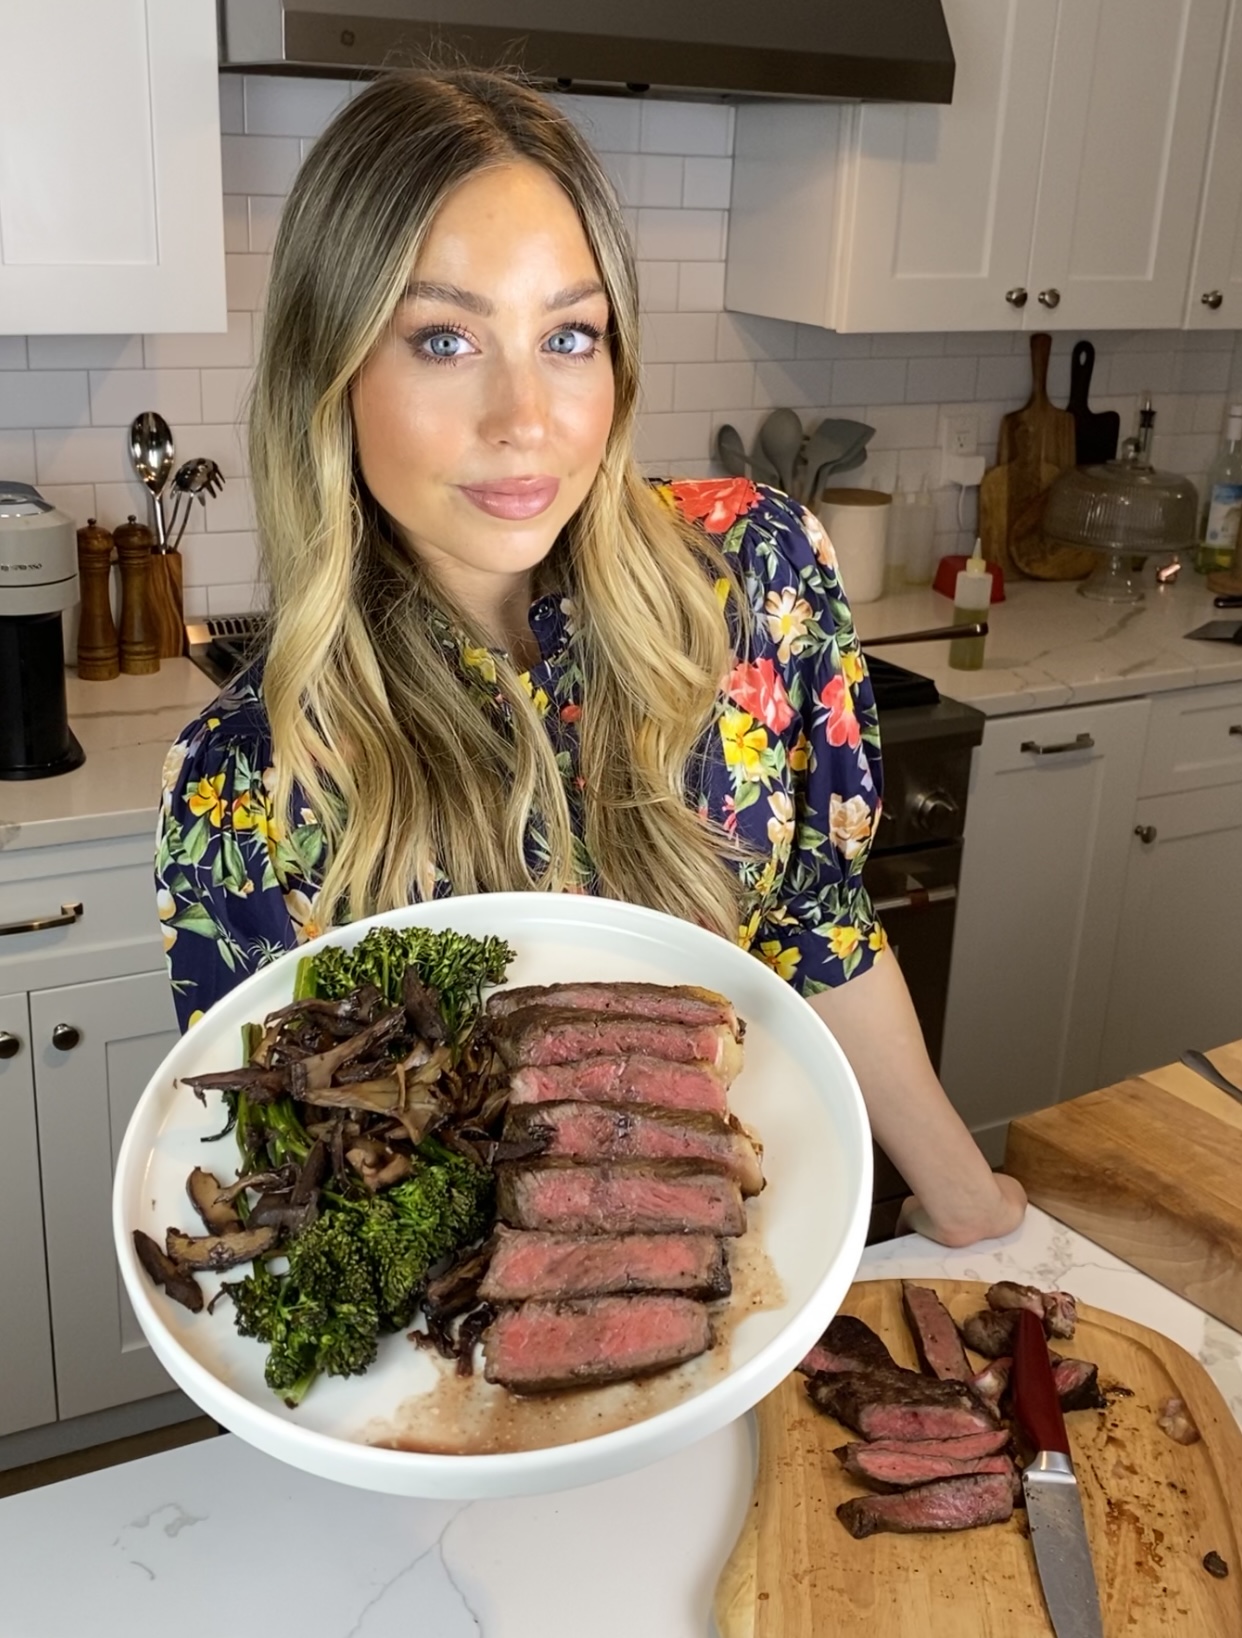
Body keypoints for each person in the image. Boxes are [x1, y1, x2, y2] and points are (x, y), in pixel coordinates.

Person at [155, 66, 1025, 1248]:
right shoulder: (243, 781)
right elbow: (298, 1209)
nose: (527, 414)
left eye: (569, 335)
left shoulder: (755, 575)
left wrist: (965, 1198)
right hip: (472, 1364)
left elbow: (819, 923)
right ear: (332, 368)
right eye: (444, 337)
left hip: (767, 1272)